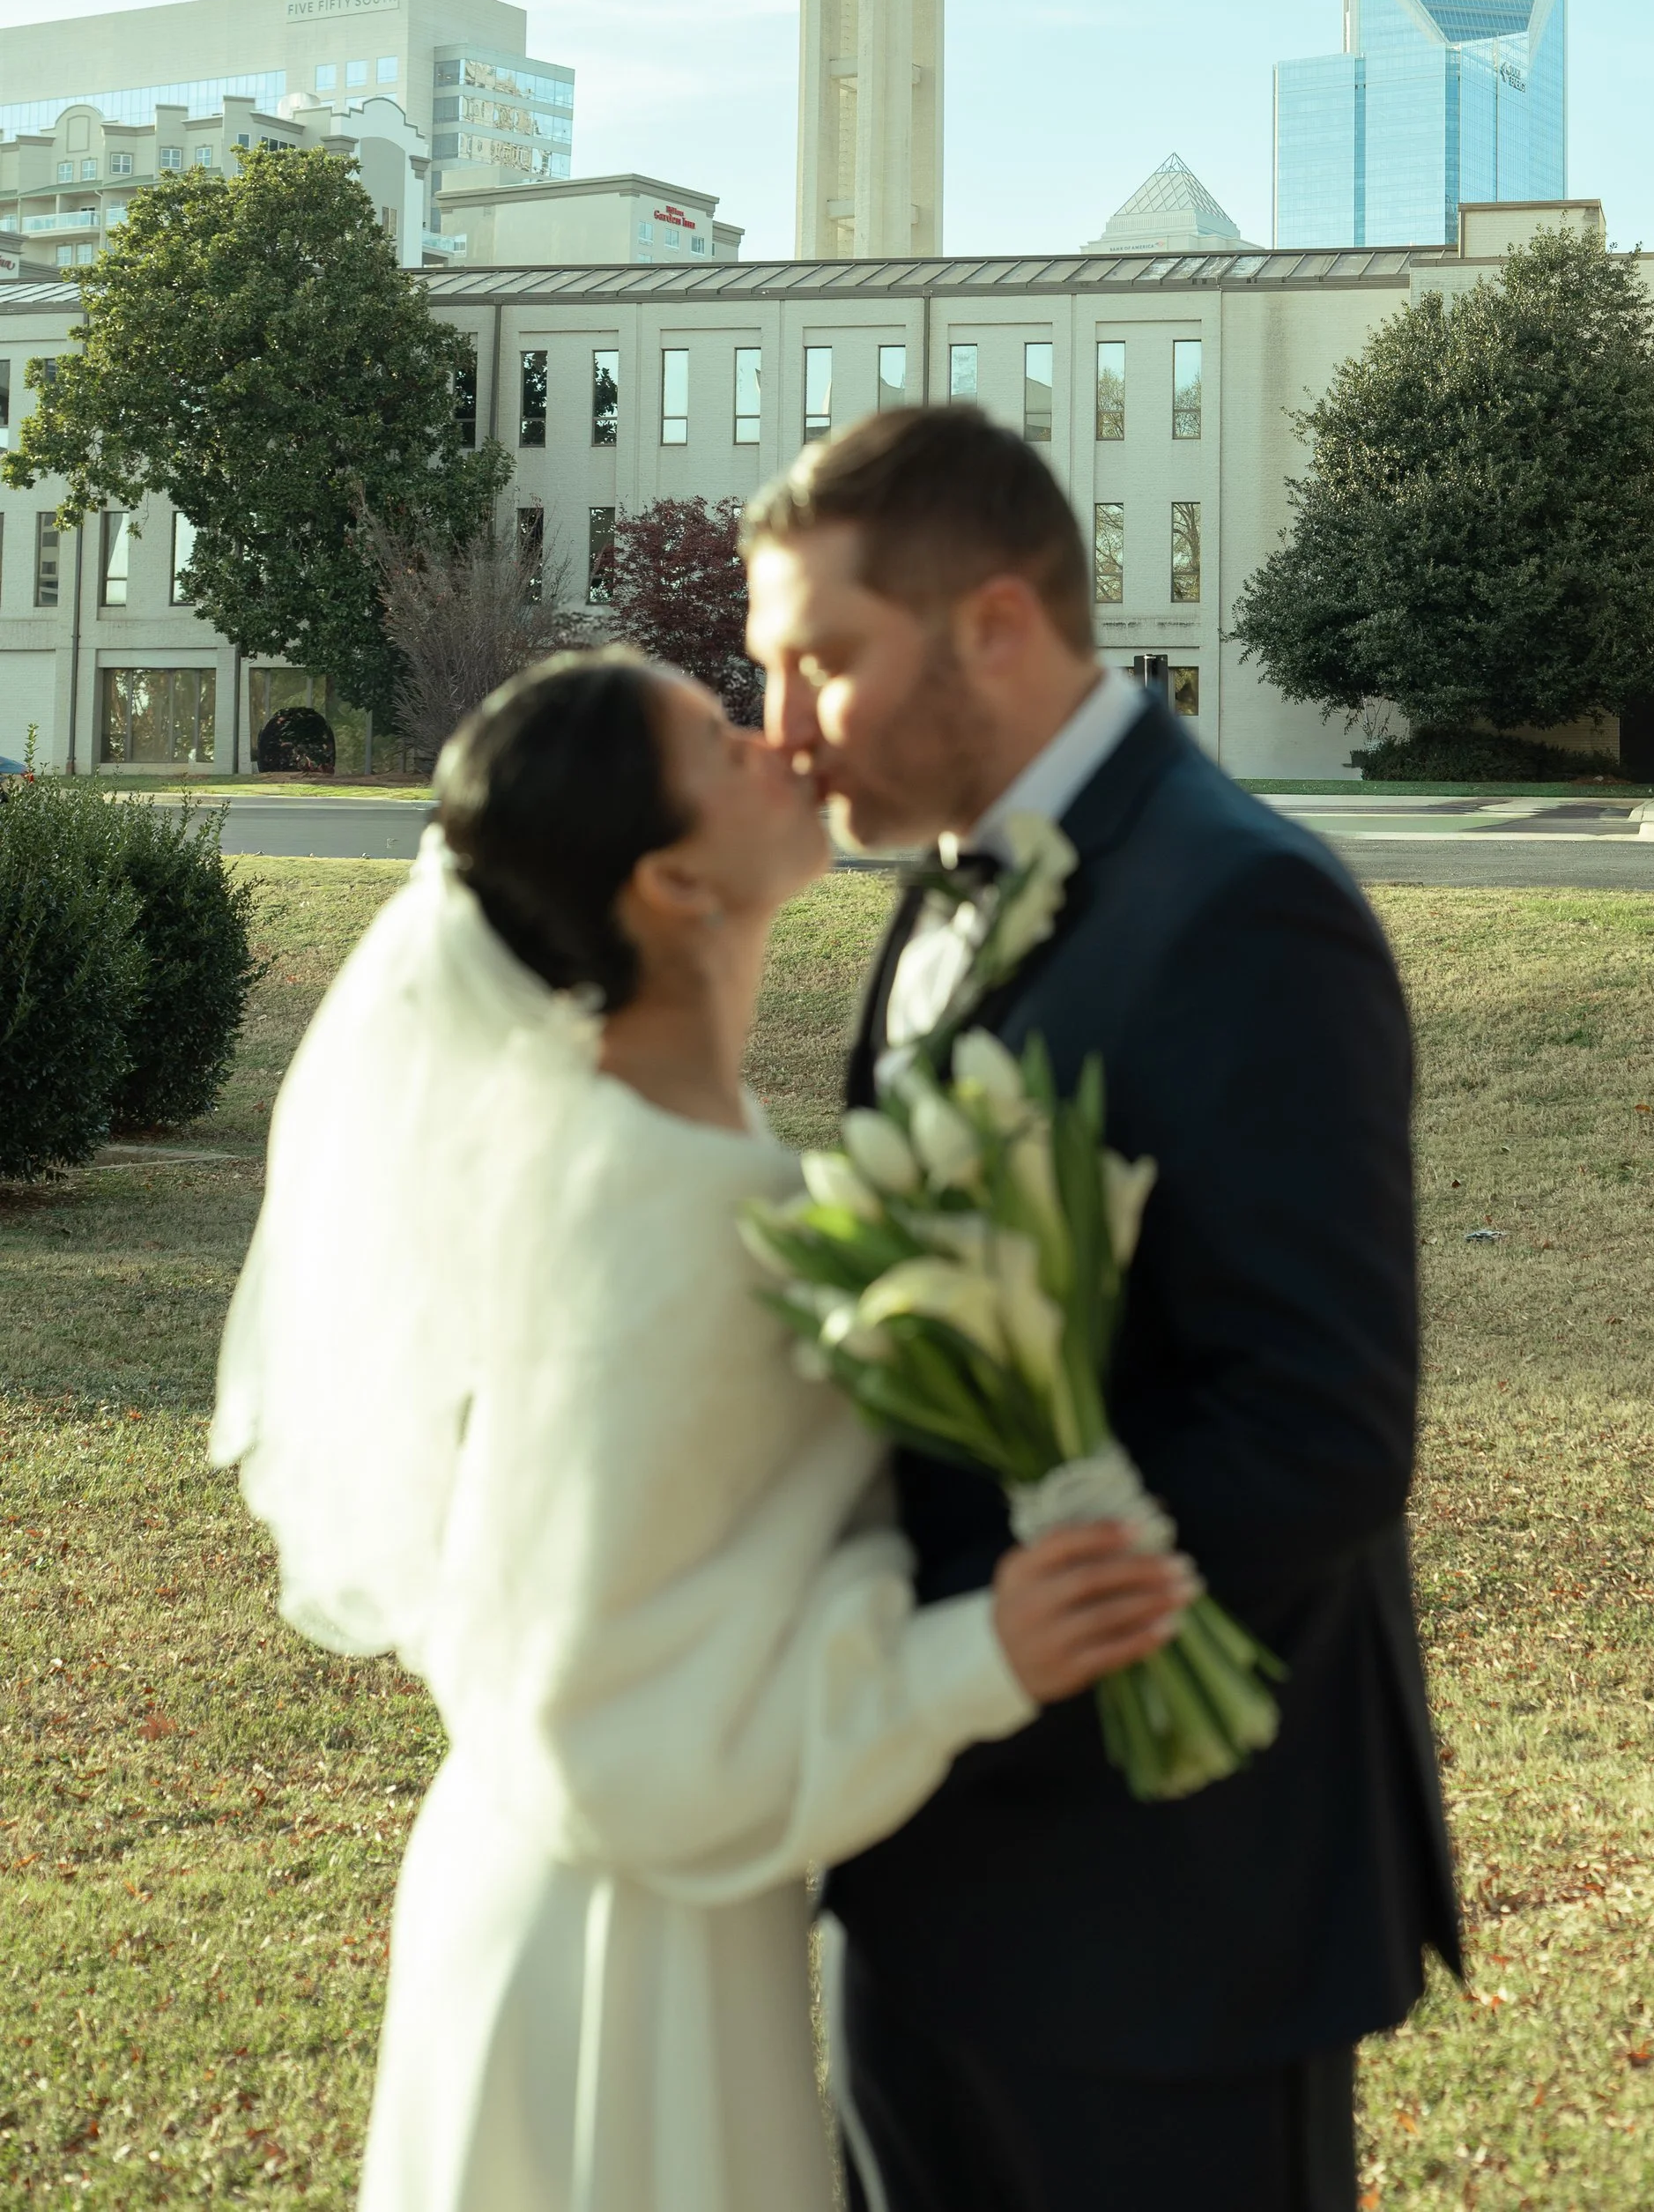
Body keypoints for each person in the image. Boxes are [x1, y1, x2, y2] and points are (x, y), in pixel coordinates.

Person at [211, 649, 1189, 2212]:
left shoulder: (671, 1142)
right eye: (722, 743)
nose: (776, 737)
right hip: (613, 1948)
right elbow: (590, 1702)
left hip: (650, 1898)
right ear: (672, 881)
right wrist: (978, 1654)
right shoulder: (648, 1202)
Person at [746, 406, 1461, 2212]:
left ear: (994, 623)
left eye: (821, 661)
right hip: (918, 1876)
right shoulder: (939, 886)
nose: (782, 728)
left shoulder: (1248, 908)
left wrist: (997, 1650)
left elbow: (1316, 1430)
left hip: (1171, 1918)